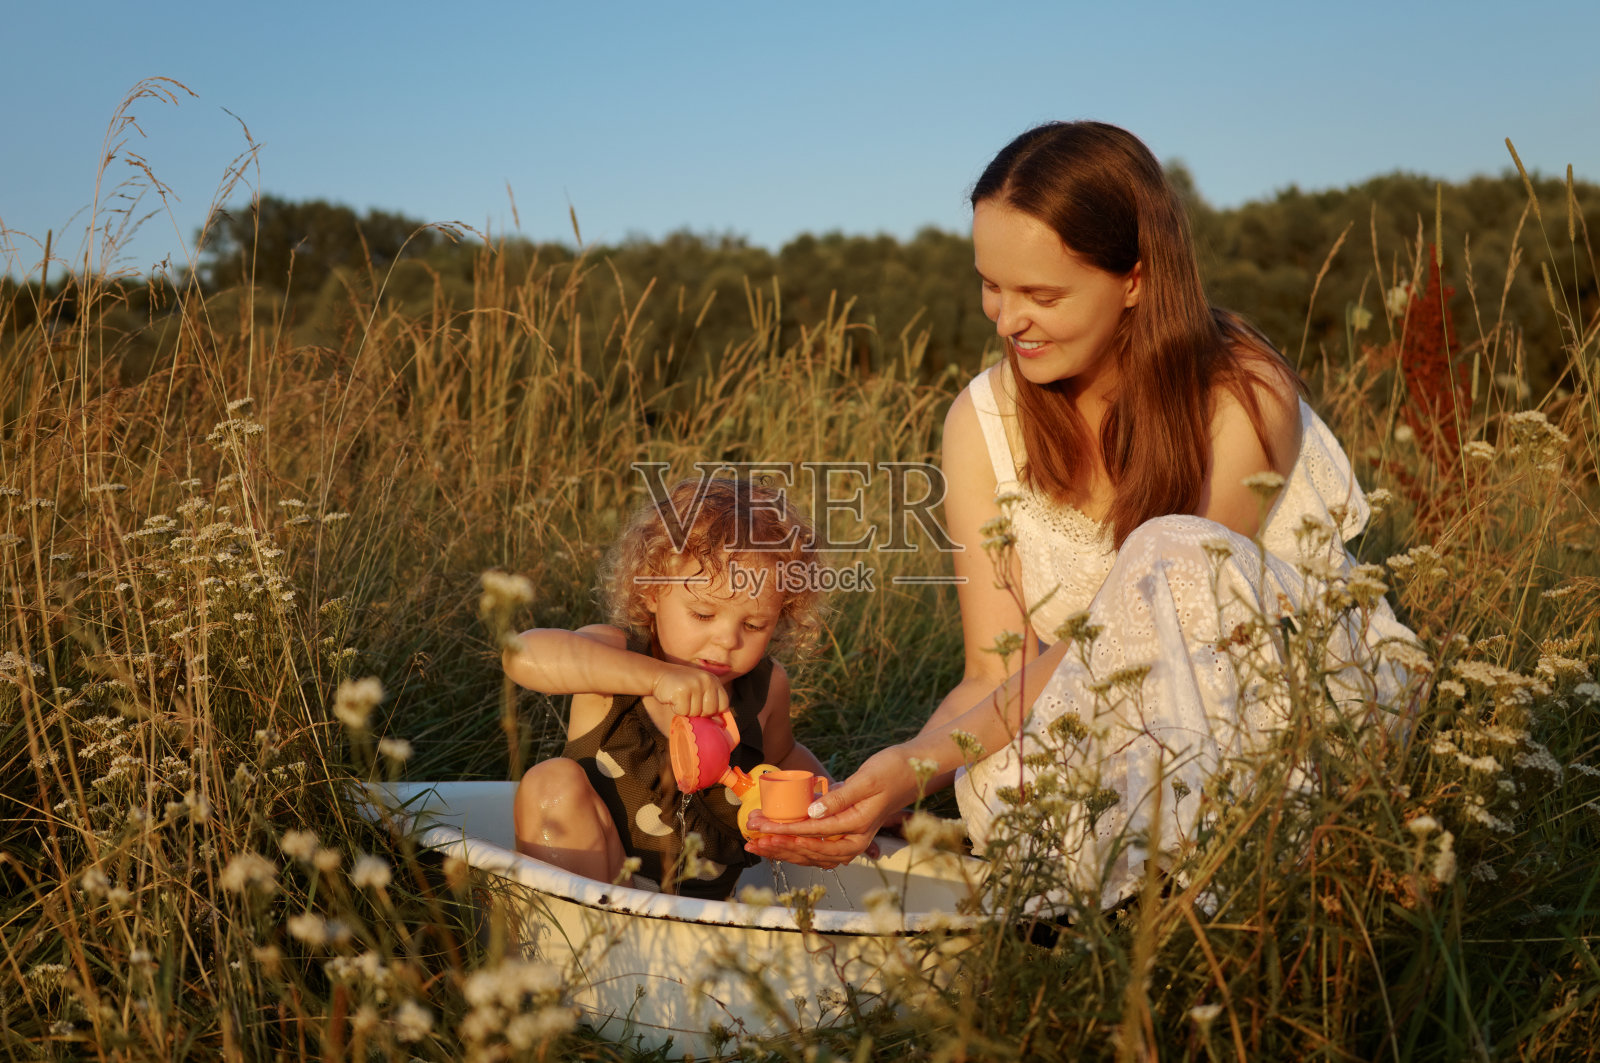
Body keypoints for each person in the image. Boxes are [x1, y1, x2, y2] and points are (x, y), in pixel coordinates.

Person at [748, 121, 1417, 908]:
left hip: (1281, 694)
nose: (1006, 319)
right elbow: (994, 672)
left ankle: (1192, 913)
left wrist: (923, 765)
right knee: (1001, 772)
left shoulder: (1242, 390)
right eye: (991, 284)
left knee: (1168, 552)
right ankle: (1110, 923)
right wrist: (896, 778)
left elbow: (1166, 616)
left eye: (1042, 294)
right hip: (1109, 716)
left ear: (1134, 278)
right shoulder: (981, 422)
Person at [508, 477, 829, 899]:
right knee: (548, 783)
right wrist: (656, 679)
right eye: (701, 614)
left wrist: (838, 804)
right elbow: (523, 655)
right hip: (599, 881)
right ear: (655, 591)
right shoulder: (617, 659)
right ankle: (569, 950)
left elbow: (784, 755)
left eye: (753, 625)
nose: (727, 640)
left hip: (701, 916)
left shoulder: (764, 689)